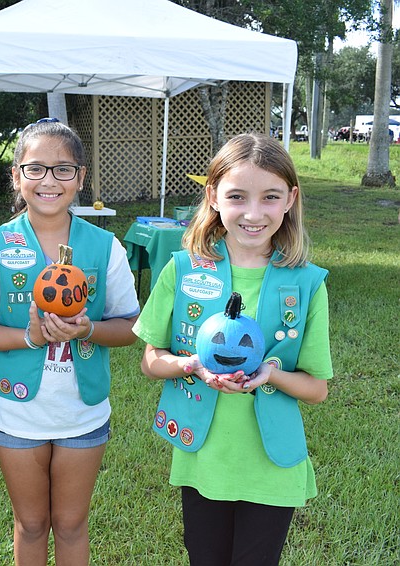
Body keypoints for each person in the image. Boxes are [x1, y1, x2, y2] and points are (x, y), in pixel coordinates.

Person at [132, 133, 332, 565]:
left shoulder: (306, 283)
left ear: (290, 199)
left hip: (271, 465)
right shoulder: (184, 268)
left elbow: (317, 388)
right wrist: (193, 365)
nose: (253, 213)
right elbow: (151, 360)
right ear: (214, 196)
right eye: (238, 196)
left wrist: (271, 374)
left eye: (270, 197)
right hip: (205, 458)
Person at [0, 118, 141, 565]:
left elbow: (132, 326)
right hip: (16, 410)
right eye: (35, 168)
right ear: (17, 176)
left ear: (80, 178)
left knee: (73, 524)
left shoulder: (104, 247)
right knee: (32, 523)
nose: (49, 181)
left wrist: (89, 329)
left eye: (63, 169)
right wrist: (29, 335)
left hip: (83, 412)